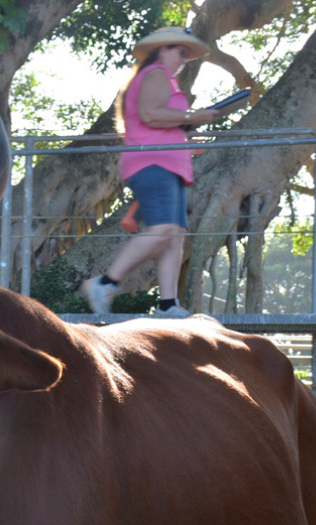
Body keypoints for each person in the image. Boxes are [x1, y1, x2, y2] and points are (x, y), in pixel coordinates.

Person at [82, 27, 217, 317]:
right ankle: (105, 283)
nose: (183, 58)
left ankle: (168, 304)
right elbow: (150, 114)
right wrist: (193, 117)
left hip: (168, 163)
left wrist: (186, 141)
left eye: (186, 54)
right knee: (164, 229)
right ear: (161, 50)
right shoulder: (155, 73)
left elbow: (160, 124)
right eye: (179, 51)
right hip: (152, 163)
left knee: (175, 233)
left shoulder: (165, 78)